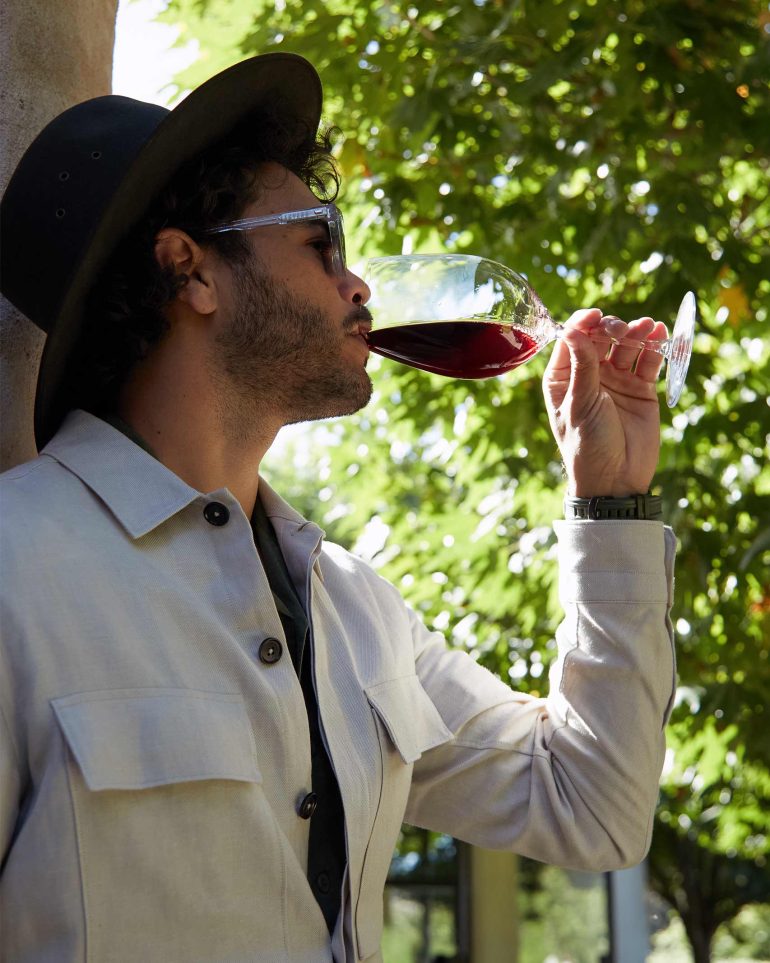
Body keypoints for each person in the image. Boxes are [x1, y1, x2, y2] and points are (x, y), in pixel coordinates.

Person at [0, 53, 676, 962]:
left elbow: (593, 805)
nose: (360, 287)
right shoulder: (17, 570)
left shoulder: (355, 611)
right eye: (324, 243)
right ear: (188, 269)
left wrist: (611, 506)